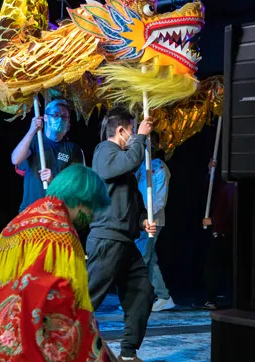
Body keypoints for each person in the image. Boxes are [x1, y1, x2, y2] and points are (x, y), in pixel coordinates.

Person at [0, 164, 115, 362]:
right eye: (92, 208)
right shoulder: (62, 234)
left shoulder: (21, 220)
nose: (91, 217)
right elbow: (61, 296)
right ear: (82, 201)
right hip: (25, 342)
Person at [88, 107, 157, 362]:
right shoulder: (104, 151)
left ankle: (128, 353)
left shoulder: (124, 166)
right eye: (131, 130)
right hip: (107, 239)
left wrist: (142, 222)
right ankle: (56, 344)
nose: (135, 135)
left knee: (143, 292)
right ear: (121, 131)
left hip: (124, 241)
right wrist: (140, 137)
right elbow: (129, 161)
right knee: (89, 298)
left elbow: (135, 204)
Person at [11, 99, 85, 213]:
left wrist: (53, 181)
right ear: (45, 118)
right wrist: (32, 130)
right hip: (30, 212)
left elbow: (77, 187)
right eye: (55, 115)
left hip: (58, 213)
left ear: (69, 124)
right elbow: (15, 159)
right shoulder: (34, 141)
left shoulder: (73, 150)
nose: (59, 118)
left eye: (64, 116)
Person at [134, 132, 174, 312]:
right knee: (149, 260)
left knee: (142, 258)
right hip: (141, 219)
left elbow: (159, 199)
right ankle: (164, 296)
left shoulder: (160, 168)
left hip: (152, 221)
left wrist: (147, 216)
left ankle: (139, 298)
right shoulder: (142, 165)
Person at [201, 159, 235, 310]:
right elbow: (209, 191)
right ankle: (212, 298)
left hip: (225, 233)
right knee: (213, 268)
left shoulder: (233, 187)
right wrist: (211, 172)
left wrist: (213, 221)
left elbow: (231, 212)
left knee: (218, 268)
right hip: (218, 231)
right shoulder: (225, 185)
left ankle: (218, 299)